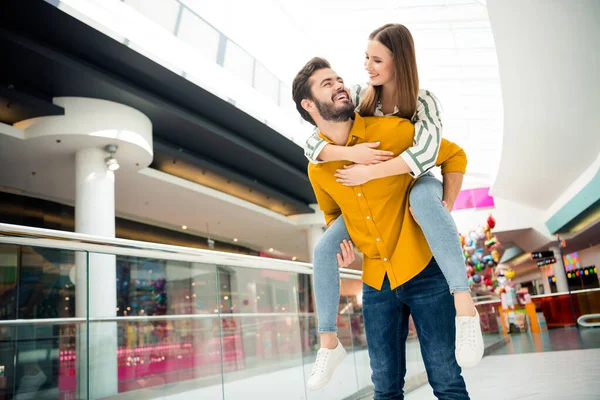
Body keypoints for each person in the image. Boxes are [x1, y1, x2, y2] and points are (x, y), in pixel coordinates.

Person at [299, 24, 483, 390]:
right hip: (377, 277)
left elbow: (439, 152)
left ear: (398, 62)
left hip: (418, 186)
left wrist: (441, 202)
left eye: (376, 59)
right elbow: (312, 144)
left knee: (446, 378)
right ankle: (328, 343)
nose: (366, 66)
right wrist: (350, 154)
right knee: (322, 248)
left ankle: (465, 308)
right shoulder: (356, 100)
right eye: (365, 58)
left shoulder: (416, 109)